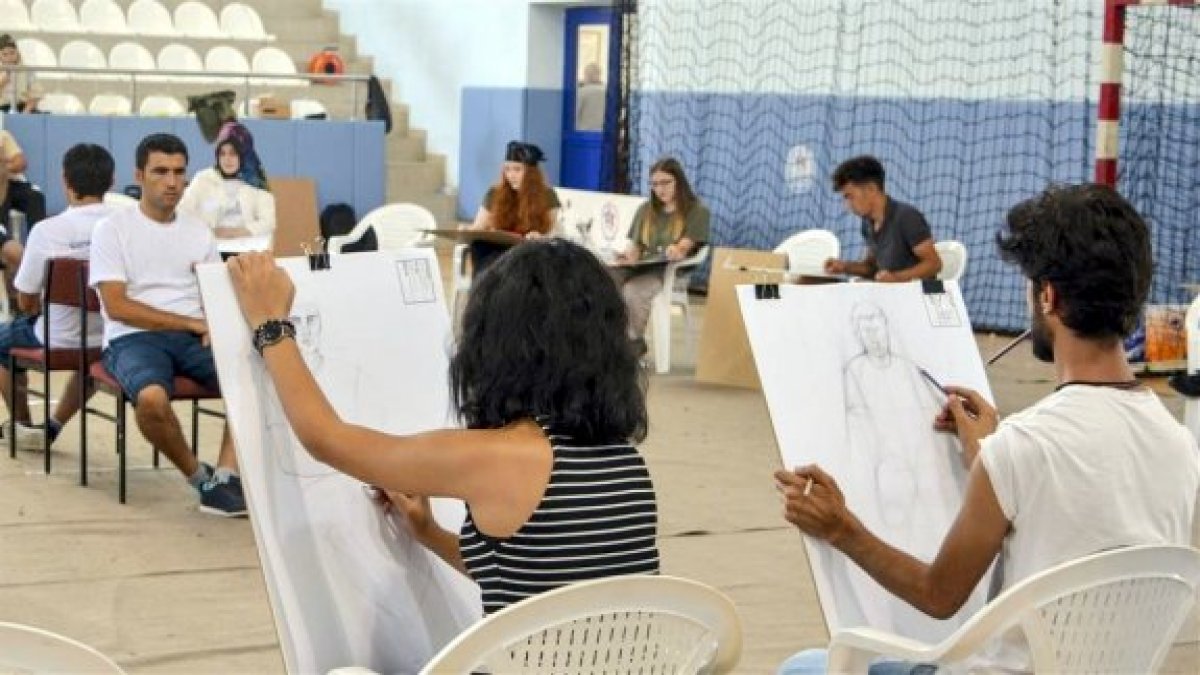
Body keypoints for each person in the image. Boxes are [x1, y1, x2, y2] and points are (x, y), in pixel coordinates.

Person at [776, 183, 1200, 674]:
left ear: (1048, 296)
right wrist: (987, 453)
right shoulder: (1179, 445)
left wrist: (840, 527)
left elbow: (938, 595)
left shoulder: (1023, 445)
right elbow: (1072, 504)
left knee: (804, 668)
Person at [225, 239, 660, 614]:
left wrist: (270, 324)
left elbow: (326, 438)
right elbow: (531, 577)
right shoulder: (625, 464)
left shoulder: (501, 455)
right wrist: (429, 533)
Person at [89, 133, 246, 517]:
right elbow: (117, 306)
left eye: (179, 172)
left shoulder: (198, 231)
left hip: (190, 337)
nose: (172, 182)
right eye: (160, 172)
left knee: (253, 377)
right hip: (133, 338)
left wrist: (215, 325)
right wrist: (190, 321)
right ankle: (200, 479)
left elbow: (214, 293)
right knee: (151, 401)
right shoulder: (112, 229)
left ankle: (227, 477)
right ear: (139, 175)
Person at [0, 144, 114, 450]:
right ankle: (53, 425)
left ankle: (22, 426)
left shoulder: (47, 231)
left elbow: (25, 301)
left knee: (2, 341)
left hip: (57, 338)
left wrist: (37, 308)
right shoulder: (126, 225)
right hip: (112, 337)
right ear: (112, 181)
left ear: (65, 180)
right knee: (91, 353)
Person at [611, 157, 710, 356]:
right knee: (604, 280)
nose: (660, 189)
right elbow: (636, 246)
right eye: (655, 184)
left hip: (666, 270)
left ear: (679, 181)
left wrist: (677, 250)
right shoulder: (645, 210)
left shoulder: (697, 210)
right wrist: (628, 256)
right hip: (640, 265)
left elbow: (685, 247)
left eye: (665, 183)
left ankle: (633, 344)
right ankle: (606, 339)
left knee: (633, 291)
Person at [823, 156, 941, 283]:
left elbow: (934, 264)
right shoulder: (867, 223)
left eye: (850, 196)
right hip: (888, 292)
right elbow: (872, 269)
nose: (847, 205)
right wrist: (844, 267)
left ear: (871, 189)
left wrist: (897, 278)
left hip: (916, 293)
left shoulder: (907, 217)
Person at [468, 141, 560, 276]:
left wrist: (540, 237)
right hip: (500, 250)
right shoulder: (494, 193)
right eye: (507, 169)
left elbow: (554, 233)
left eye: (517, 169)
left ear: (531, 173)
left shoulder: (547, 195)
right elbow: (479, 227)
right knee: (479, 245)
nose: (511, 175)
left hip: (530, 251)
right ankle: (485, 286)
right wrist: (468, 231)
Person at [179, 135, 275, 248]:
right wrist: (205, 230)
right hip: (209, 242)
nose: (227, 159)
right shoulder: (204, 179)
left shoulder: (256, 181)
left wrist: (238, 232)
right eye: (222, 154)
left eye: (233, 154)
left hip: (247, 243)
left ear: (242, 157)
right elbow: (183, 209)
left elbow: (269, 221)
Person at [0, 129, 48, 282]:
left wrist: (4, 168)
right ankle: (5, 249)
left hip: (11, 182)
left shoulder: (2, 136)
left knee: (35, 196)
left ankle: (39, 247)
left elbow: (20, 162)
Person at [0, 34, 42, 113]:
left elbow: (35, 95)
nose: (9, 57)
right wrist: (2, 82)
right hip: (2, 109)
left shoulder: (27, 71)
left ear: (17, 53)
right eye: (4, 54)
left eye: (12, 53)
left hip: (24, 108)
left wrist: (24, 113)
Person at [575, 62, 606, 131]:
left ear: (587, 75)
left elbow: (575, 113)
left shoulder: (581, 92)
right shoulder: (607, 93)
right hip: (602, 131)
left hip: (584, 132)